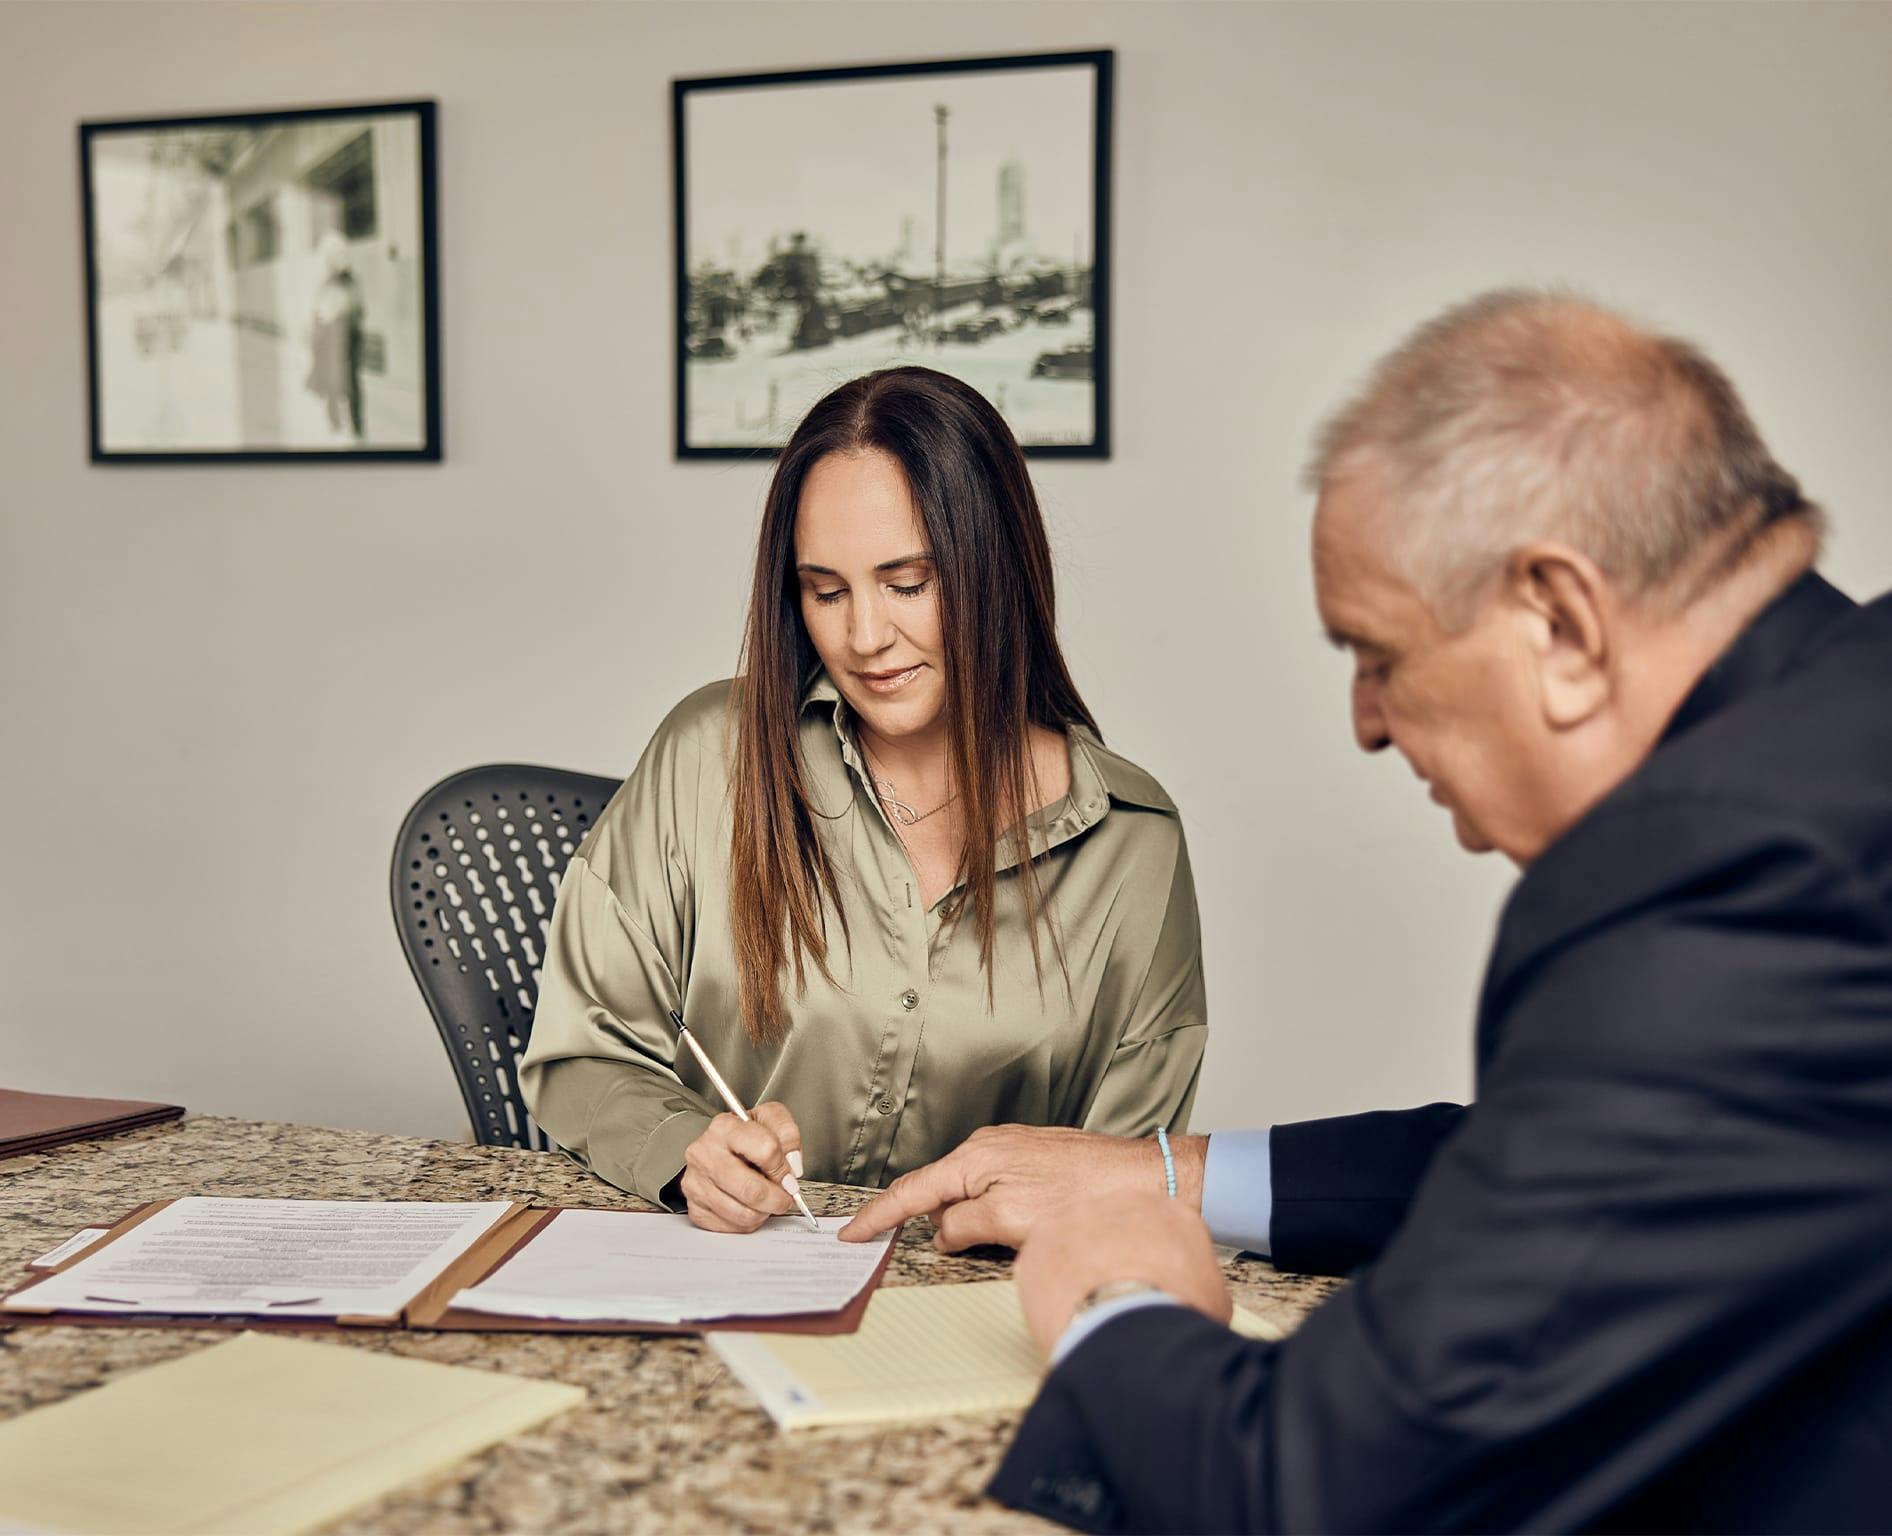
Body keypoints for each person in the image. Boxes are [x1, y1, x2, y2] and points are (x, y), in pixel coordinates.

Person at [843, 292, 1892, 1532]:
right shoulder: (1839, 735)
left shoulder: (1729, 874)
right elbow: (1587, 1158)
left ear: (1559, 622)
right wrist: (1168, 1173)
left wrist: (1115, 1300)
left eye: (1377, 654)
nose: (1365, 722)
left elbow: (1323, 1488)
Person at [520, 366, 1206, 1231]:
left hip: (968, 1319)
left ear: (995, 568)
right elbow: (582, 1051)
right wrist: (686, 1148)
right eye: (827, 591)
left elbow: (1128, 1179)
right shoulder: (708, 755)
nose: (866, 637)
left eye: (908, 584)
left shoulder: (1130, 843)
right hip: (715, 1282)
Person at [306, 229, 365, 441]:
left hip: (346, 335)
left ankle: (352, 426)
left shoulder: (347, 281)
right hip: (335, 336)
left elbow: (358, 309)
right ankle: (341, 424)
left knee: (348, 382)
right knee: (337, 382)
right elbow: (318, 312)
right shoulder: (328, 282)